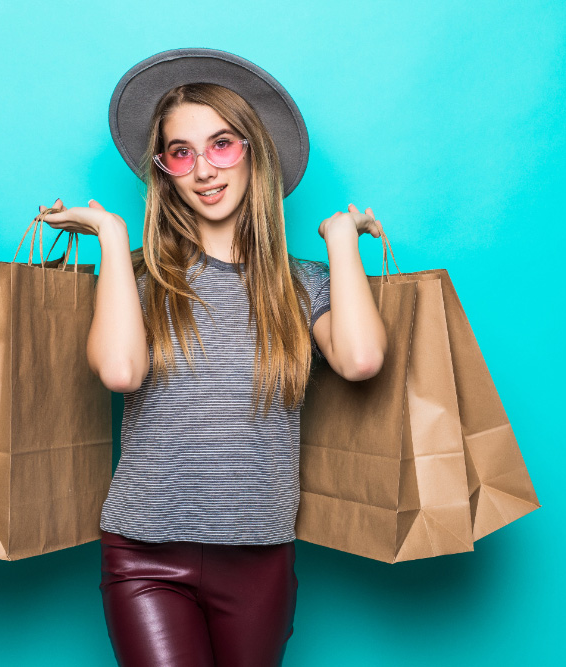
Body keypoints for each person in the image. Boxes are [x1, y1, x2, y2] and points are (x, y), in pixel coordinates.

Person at [38, 49, 388, 667]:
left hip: (260, 558)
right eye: (181, 152)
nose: (203, 169)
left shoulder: (302, 285)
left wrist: (339, 244)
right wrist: (116, 240)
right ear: (164, 171)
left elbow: (361, 360)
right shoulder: (139, 282)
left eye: (222, 144)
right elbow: (121, 373)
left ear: (255, 150)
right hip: (143, 554)